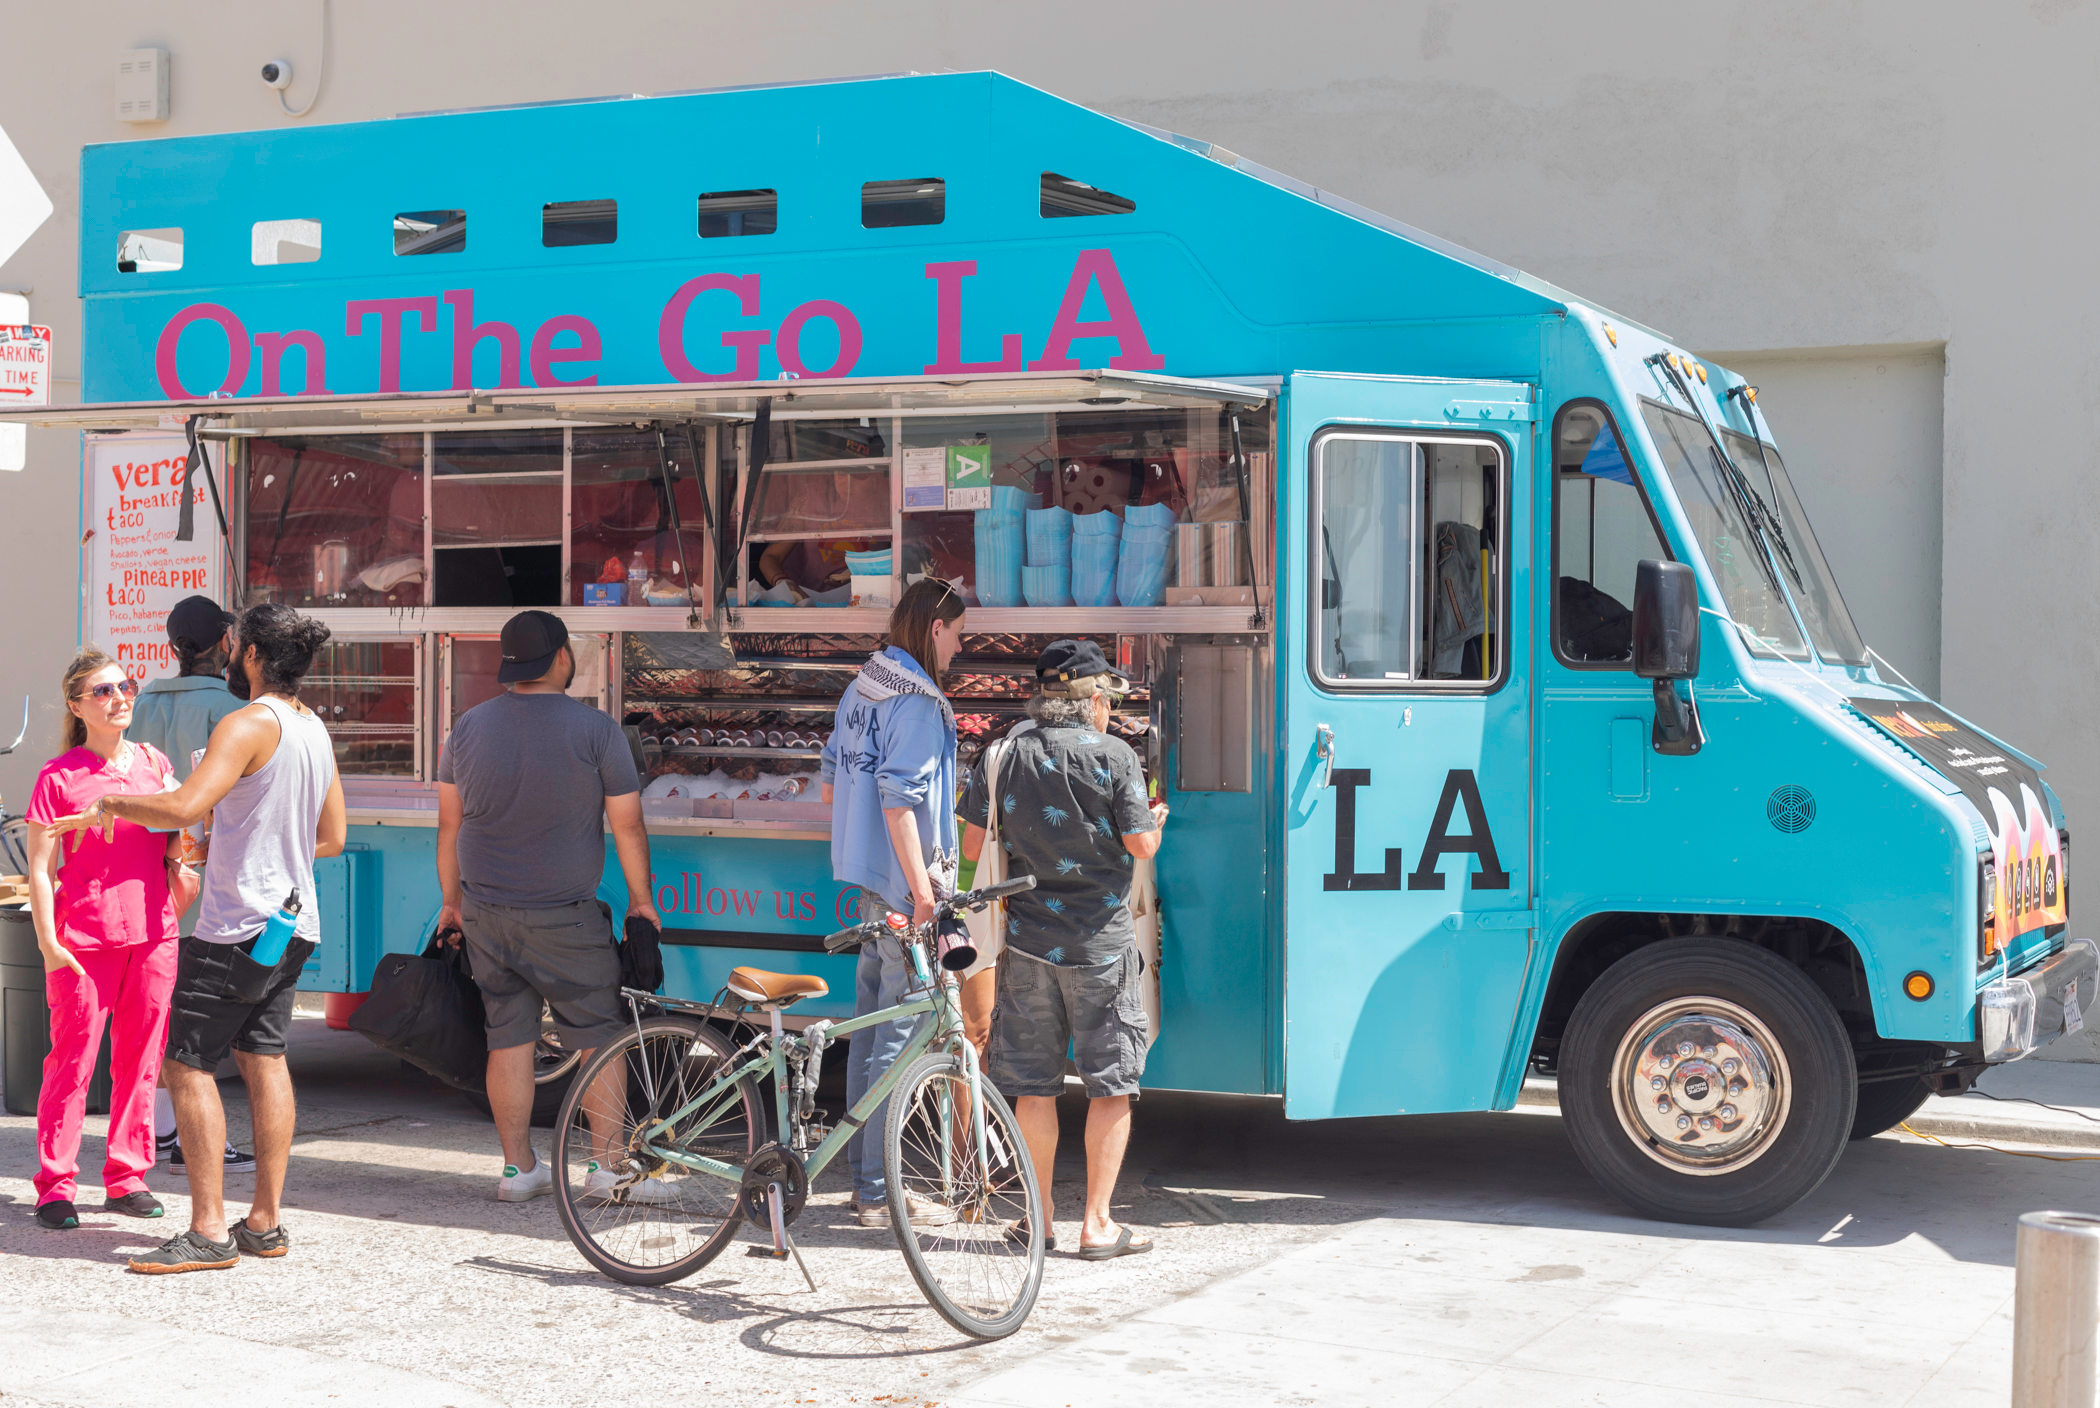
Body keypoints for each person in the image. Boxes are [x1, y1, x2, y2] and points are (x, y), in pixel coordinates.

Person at [46, 604, 346, 1273]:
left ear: (248, 653)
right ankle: (264, 1222)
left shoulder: (247, 724)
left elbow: (184, 805)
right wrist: (241, 839)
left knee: (185, 1064)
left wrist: (112, 805)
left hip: (238, 926)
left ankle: (209, 1231)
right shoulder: (312, 728)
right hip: (293, 921)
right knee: (264, 1058)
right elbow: (331, 837)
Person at [433, 609, 662, 1203]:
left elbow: (449, 825)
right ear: (562, 657)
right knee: (599, 1033)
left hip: (486, 911)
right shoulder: (595, 729)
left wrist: (450, 904)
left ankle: (518, 1170)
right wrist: (642, 902)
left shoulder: (467, 728)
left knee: (507, 1036)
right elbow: (628, 826)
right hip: (565, 914)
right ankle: (607, 1168)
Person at [960, 638, 1166, 1258]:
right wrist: (1156, 820)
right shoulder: (1116, 756)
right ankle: (1097, 1225)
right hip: (1102, 946)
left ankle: (1041, 1219)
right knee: (1110, 1085)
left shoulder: (1002, 755)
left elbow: (973, 850)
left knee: (1034, 1088)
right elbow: (1140, 848)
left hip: (1025, 950)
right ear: (1093, 699)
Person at [819, 577, 966, 1228]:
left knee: (870, 1035)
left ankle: (864, 1182)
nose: (960, 648)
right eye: (958, 634)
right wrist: (924, 893)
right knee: (895, 1046)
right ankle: (879, 1196)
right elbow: (899, 798)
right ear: (935, 628)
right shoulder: (917, 703)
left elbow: (831, 783)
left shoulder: (862, 687)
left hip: (869, 886)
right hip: (907, 892)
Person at [22, 648, 185, 1230]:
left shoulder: (153, 762)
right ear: (77, 706)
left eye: (126, 686)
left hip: (153, 933)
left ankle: (126, 1176)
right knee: (72, 1062)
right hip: (83, 939)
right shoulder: (58, 776)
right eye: (103, 691)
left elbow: (176, 832)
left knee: (141, 1060)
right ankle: (55, 1184)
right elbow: (39, 867)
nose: (120, 698)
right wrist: (47, 941)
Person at [127, 594, 257, 1177]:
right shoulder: (234, 707)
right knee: (193, 1016)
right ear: (226, 645)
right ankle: (191, 1136)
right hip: (205, 876)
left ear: (173, 648)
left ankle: (154, 1130)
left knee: (150, 1008)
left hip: (142, 871)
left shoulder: (140, 701)